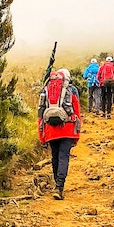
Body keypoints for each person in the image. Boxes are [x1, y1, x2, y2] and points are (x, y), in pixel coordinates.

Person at [37, 68, 81, 199]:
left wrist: (42, 136)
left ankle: (57, 183)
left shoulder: (45, 90)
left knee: (54, 157)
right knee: (63, 157)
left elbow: (40, 115)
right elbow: (77, 112)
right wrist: (76, 134)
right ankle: (59, 187)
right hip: (67, 129)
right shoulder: (72, 90)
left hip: (50, 130)